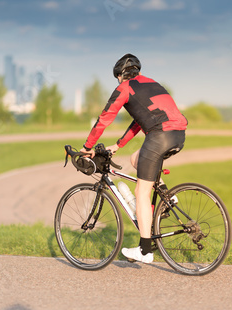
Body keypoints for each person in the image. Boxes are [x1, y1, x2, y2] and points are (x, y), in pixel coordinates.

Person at [80, 53, 187, 264]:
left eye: (117, 78)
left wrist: (86, 147)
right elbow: (139, 121)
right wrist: (119, 144)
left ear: (121, 75)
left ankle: (145, 251)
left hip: (159, 135)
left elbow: (104, 118)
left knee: (142, 192)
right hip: (178, 134)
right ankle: (167, 197)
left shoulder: (125, 88)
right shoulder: (151, 83)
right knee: (136, 159)